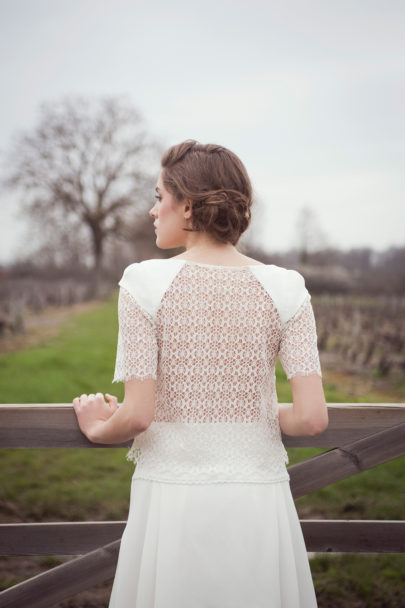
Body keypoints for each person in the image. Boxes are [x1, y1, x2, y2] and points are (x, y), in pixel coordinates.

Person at [72, 140, 328, 608]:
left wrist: (96, 426)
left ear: (187, 206)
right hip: (259, 499)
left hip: (172, 501)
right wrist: (251, 412)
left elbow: (137, 416)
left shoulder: (144, 283)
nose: (152, 211)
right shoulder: (287, 289)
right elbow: (312, 419)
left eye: (158, 196)